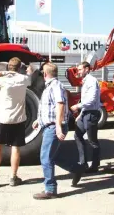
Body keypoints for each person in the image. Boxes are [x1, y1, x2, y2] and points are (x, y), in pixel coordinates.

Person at [0, 57, 31, 187]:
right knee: (16, 148)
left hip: (3, 119)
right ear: (20, 68)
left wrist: (2, 73)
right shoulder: (24, 79)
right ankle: (13, 177)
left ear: (9, 67)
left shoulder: (2, 80)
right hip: (19, 119)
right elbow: (29, 75)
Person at [32, 62, 70, 200]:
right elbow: (49, 107)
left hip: (53, 127)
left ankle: (50, 190)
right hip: (50, 125)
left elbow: (60, 105)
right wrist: (39, 120)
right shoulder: (50, 87)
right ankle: (77, 169)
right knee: (51, 156)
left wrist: (58, 126)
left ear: (45, 74)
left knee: (46, 157)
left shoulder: (55, 86)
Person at [70, 61, 102, 186]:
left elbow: (91, 100)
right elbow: (85, 100)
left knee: (92, 141)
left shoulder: (92, 81)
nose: (78, 71)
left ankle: (95, 165)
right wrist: (80, 114)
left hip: (92, 114)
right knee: (77, 135)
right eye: (78, 69)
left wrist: (77, 106)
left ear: (87, 69)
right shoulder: (85, 82)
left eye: (80, 69)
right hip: (85, 113)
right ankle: (83, 163)